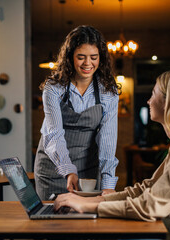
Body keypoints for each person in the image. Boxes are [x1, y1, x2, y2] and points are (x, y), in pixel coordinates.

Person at [54, 70, 170, 239]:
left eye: (153, 94)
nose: (149, 101)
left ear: (169, 102)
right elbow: (146, 189)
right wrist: (94, 199)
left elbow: (153, 206)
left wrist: (88, 206)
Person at [34, 25, 121, 200]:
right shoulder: (54, 88)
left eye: (93, 57)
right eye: (81, 57)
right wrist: (67, 170)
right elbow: (54, 135)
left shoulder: (108, 93)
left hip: (87, 172)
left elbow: (107, 140)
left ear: (101, 59)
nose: (88, 63)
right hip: (52, 169)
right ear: (70, 57)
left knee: (87, 223)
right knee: (51, 222)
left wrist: (108, 185)